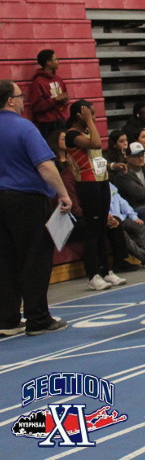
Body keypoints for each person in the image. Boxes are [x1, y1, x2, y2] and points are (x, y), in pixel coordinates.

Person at [0, 80, 73, 336]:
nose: (23, 100)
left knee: (5, 261)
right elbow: (44, 165)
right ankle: (38, 318)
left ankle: (7, 319)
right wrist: (63, 194)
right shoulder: (24, 127)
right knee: (35, 259)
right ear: (10, 100)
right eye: (20, 96)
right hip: (26, 200)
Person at [65, 100, 127, 291]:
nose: (94, 117)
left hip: (101, 182)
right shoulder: (72, 135)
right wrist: (90, 122)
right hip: (87, 184)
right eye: (90, 113)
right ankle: (93, 275)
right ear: (80, 115)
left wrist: (112, 166)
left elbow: (97, 158)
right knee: (92, 231)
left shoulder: (86, 132)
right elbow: (95, 143)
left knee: (102, 228)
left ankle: (106, 271)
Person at [28, 49, 70, 139]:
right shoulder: (38, 82)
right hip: (47, 124)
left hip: (62, 120)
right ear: (48, 62)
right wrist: (55, 100)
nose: (58, 61)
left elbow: (65, 96)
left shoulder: (59, 79)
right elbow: (36, 107)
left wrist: (65, 101)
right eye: (56, 59)